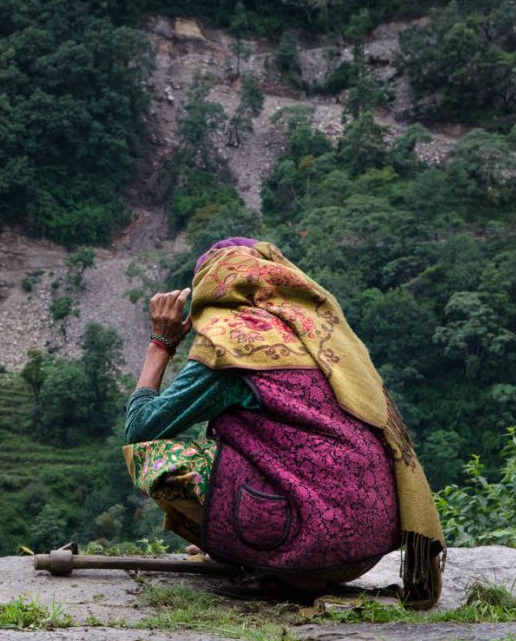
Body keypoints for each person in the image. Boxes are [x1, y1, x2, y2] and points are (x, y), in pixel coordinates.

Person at [123, 238, 444, 607]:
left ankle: (283, 568)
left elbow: (141, 431)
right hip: (365, 547)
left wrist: (160, 344)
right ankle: (269, 557)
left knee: (158, 460)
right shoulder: (324, 340)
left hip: (316, 543)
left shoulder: (230, 344)